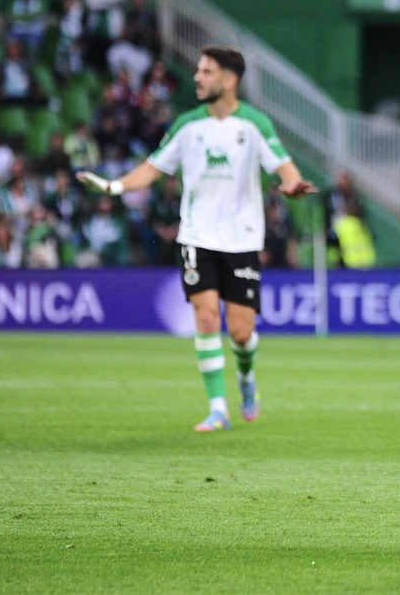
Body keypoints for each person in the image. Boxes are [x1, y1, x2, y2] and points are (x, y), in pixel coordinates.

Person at [76, 47, 315, 431]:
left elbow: (283, 165)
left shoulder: (254, 123)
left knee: (241, 333)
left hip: (241, 240)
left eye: (206, 71)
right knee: (205, 318)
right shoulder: (187, 124)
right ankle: (218, 408)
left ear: (229, 79)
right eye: (198, 70)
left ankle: (246, 378)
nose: (197, 77)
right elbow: (153, 168)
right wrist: (115, 185)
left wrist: (292, 184)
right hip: (196, 236)